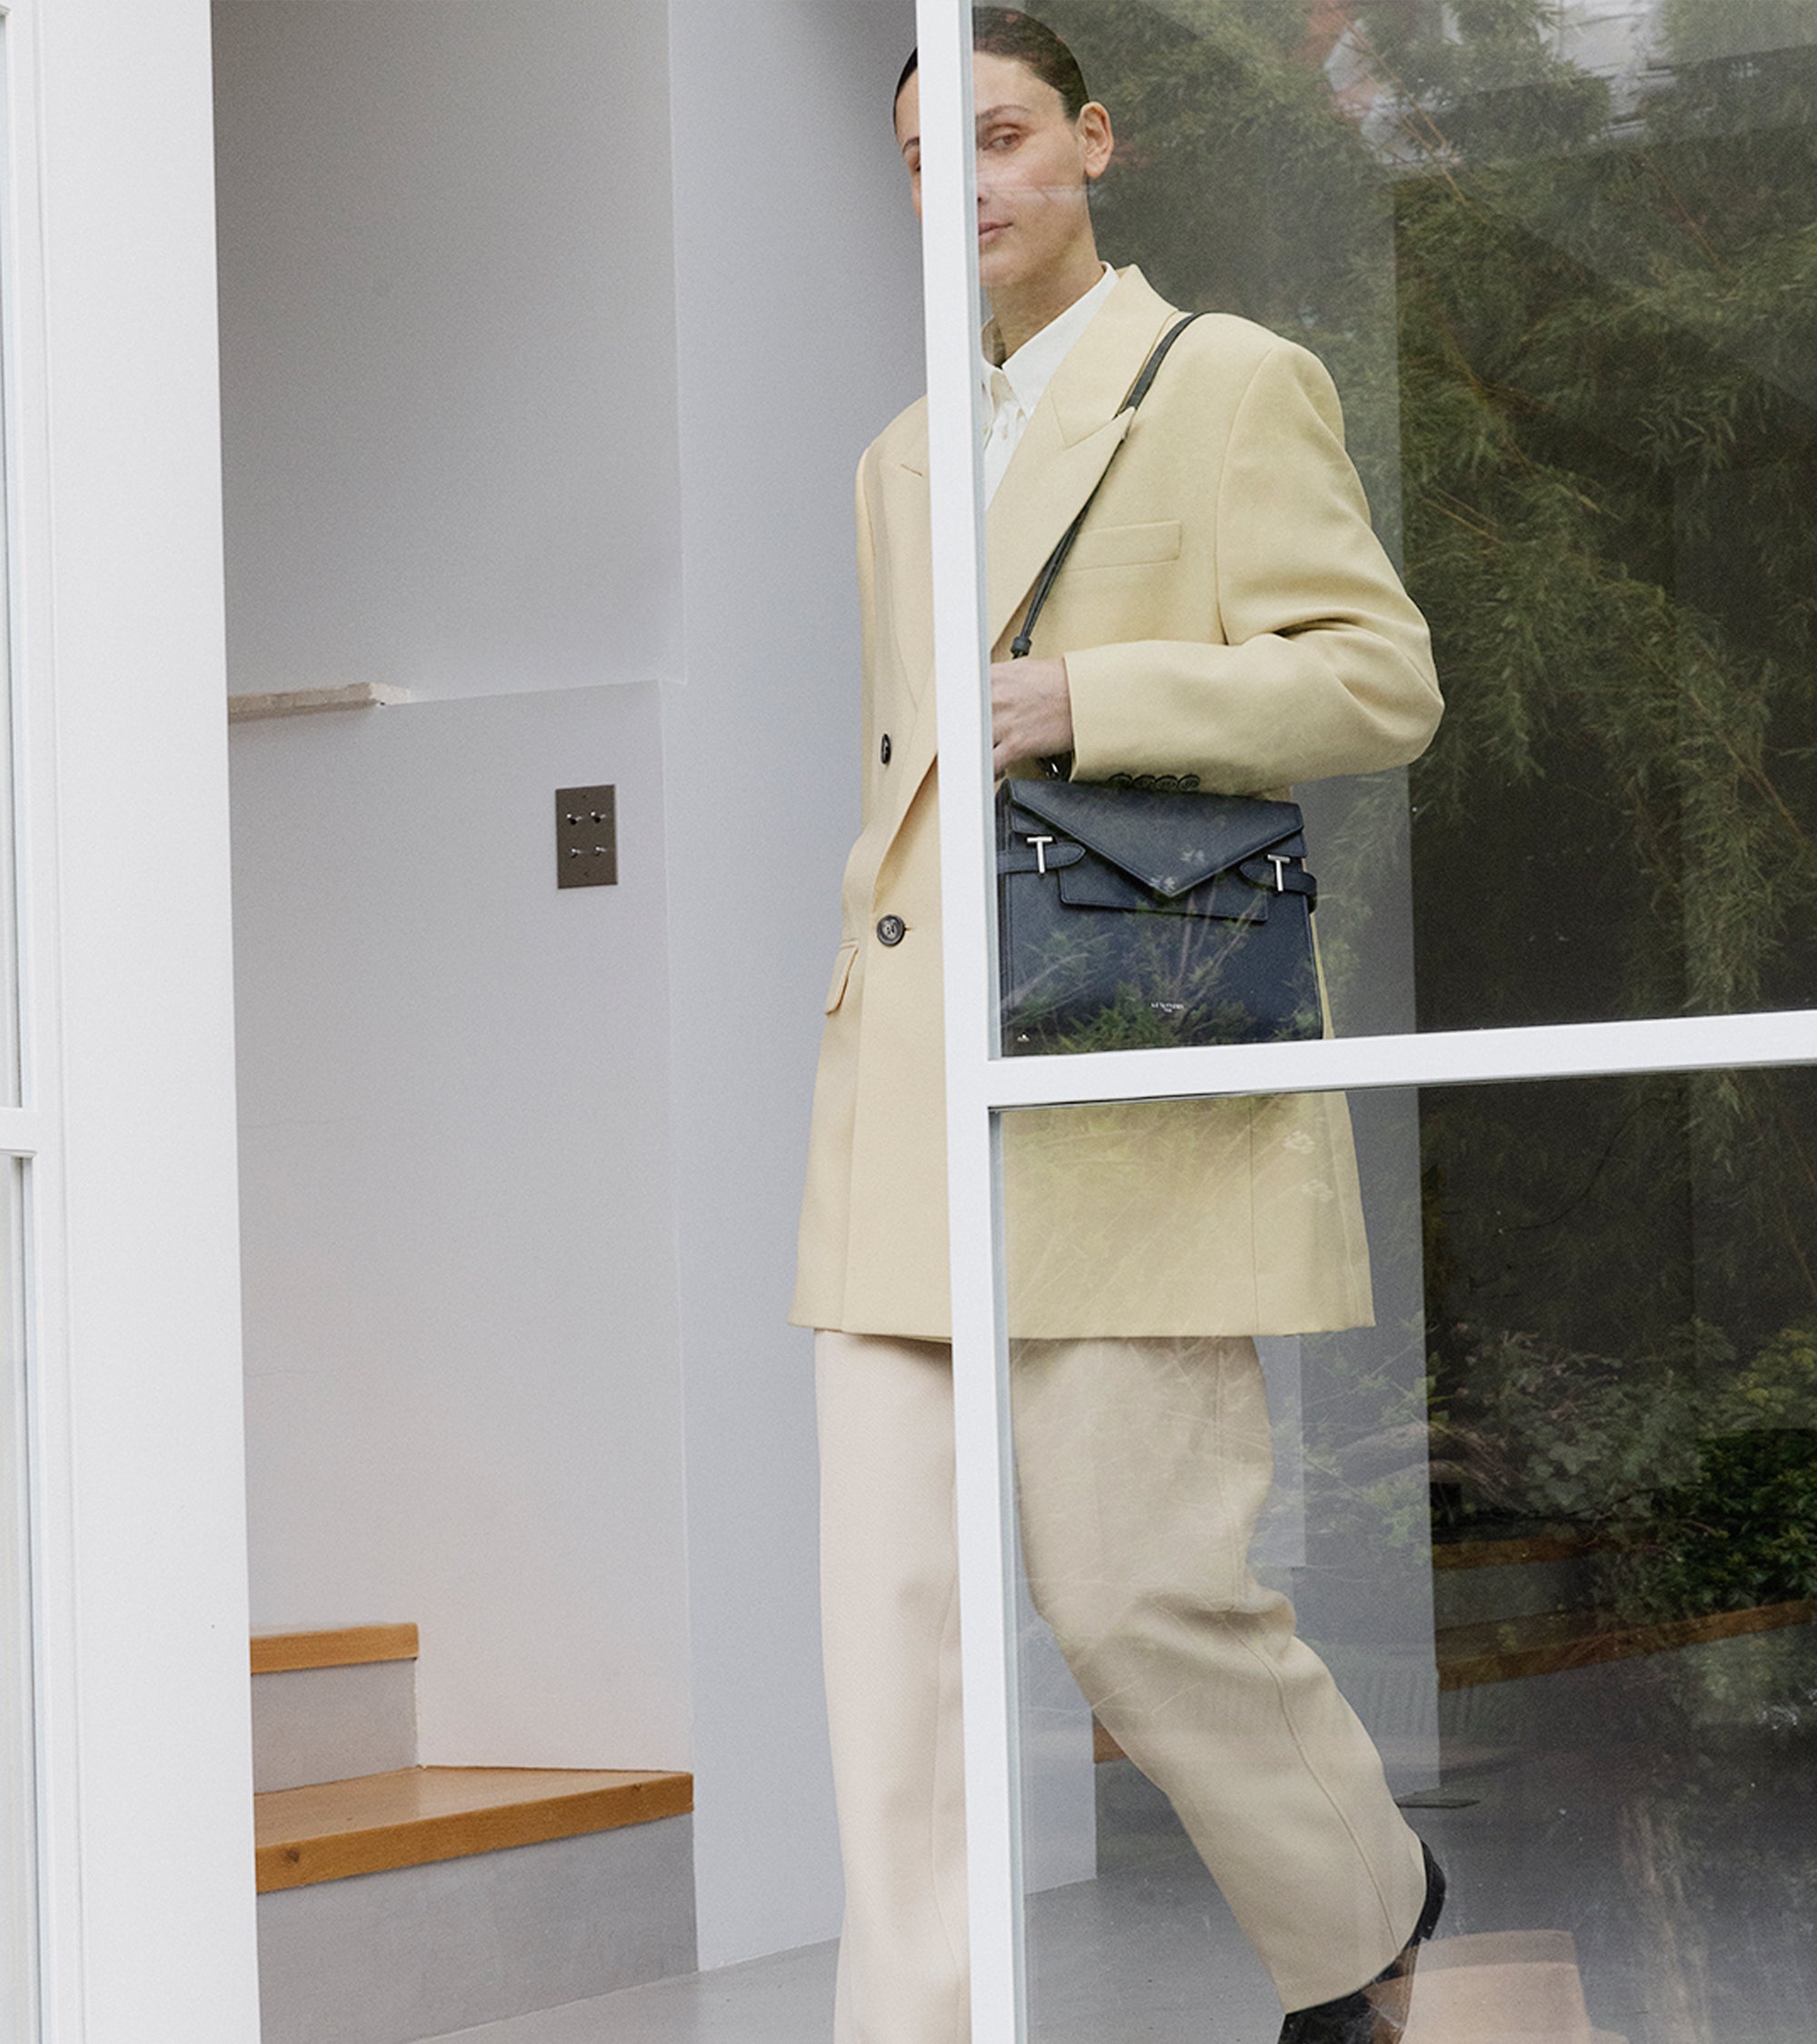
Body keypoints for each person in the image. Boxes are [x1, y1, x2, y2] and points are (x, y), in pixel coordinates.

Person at [791, 12, 1448, 2041]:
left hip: (1109, 1068)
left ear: (1091, 140)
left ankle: (1359, 1917)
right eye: (929, 156)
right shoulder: (904, 452)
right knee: (886, 1655)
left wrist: (1099, 696)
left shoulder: (1226, 382)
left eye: (997, 137)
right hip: (905, 1095)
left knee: (1131, 1596)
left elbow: (1373, 683)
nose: (967, 182)